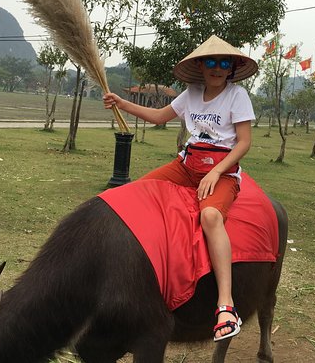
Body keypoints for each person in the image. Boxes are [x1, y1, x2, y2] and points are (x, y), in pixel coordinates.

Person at [103, 35, 257, 342]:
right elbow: (160, 116)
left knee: (211, 217)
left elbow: (244, 142)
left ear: (232, 67)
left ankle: (226, 304)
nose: (216, 68)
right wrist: (121, 103)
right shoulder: (191, 93)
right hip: (186, 166)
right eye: (210, 61)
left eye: (224, 62)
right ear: (200, 66)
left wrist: (216, 172)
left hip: (222, 171)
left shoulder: (237, 96)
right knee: (133, 195)